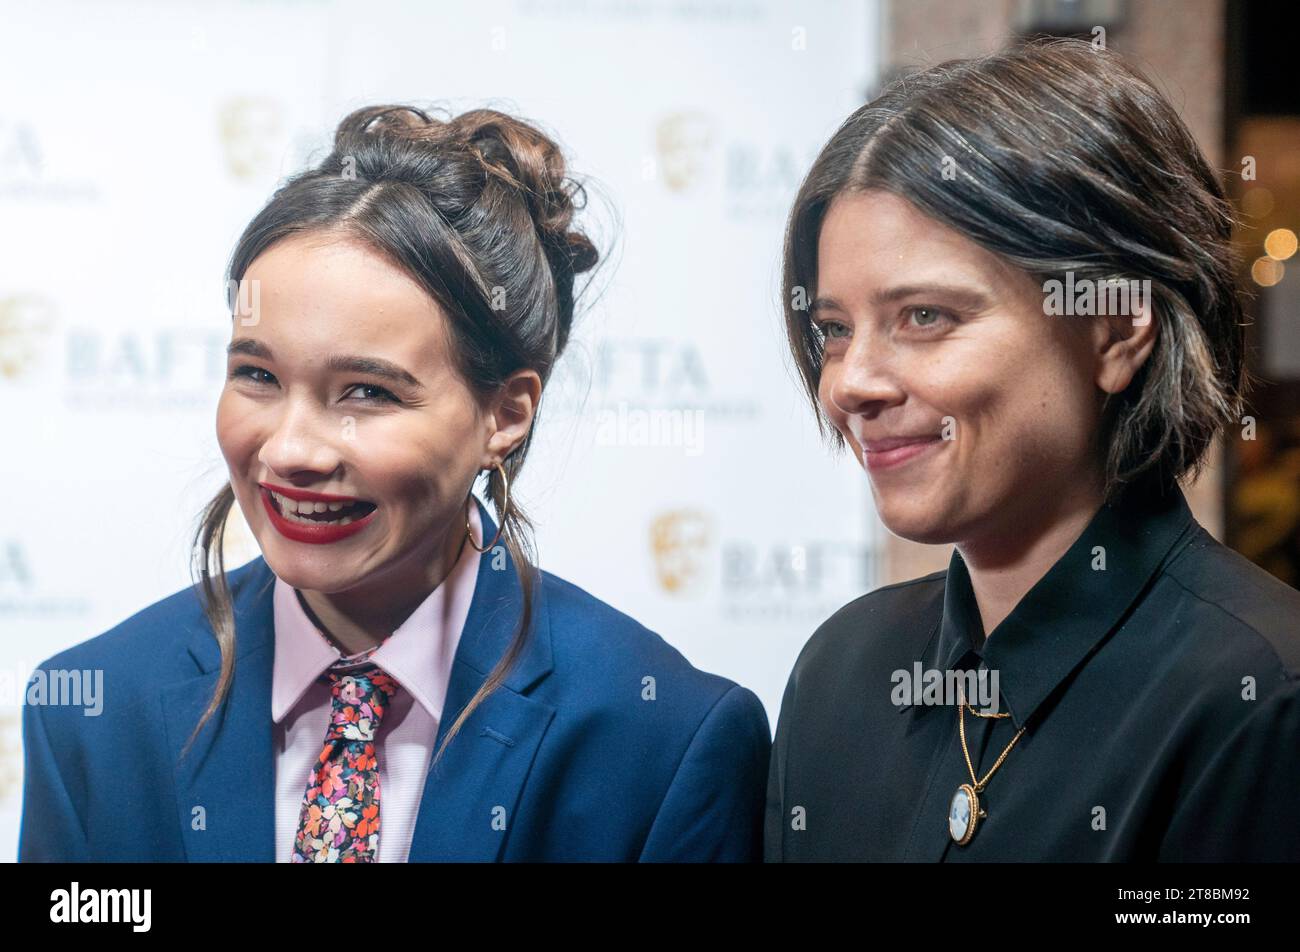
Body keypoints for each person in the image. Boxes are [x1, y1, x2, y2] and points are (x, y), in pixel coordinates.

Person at [19, 104, 769, 862]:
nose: (290, 449)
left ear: (504, 414)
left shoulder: (663, 739)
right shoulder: (95, 715)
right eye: (257, 375)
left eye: (367, 392)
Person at [765, 39, 1300, 862]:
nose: (852, 383)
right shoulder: (841, 674)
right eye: (834, 330)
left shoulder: (1259, 700)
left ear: (1116, 328)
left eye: (926, 317)